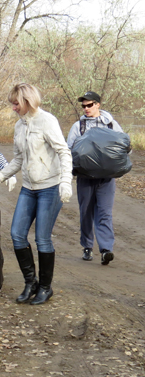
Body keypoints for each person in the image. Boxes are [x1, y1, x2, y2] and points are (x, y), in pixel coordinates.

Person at [0, 83, 72, 305]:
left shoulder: (47, 121)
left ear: (27, 101)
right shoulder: (19, 127)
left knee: (42, 238)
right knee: (17, 234)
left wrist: (65, 182)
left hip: (50, 188)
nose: (13, 108)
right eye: (12, 104)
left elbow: (64, 151)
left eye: (16, 104)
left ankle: (45, 287)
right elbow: (17, 159)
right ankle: (30, 282)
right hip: (29, 189)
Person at [67, 91, 123, 265]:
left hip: (106, 178)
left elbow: (123, 144)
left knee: (104, 213)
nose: (86, 108)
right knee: (86, 213)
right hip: (85, 177)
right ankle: (87, 246)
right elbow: (68, 150)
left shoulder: (111, 124)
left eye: (89, 105)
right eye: (83, 106)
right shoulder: (79, 127)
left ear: (98, 104)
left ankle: (106, 250)